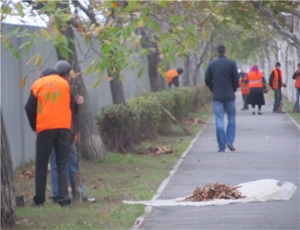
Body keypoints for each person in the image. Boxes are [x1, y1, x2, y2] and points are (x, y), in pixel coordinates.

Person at [24, 60, 74, 207]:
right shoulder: (66, 84)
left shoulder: (39, 83)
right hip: (63, 128)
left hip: (45, 128)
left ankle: (39, 199)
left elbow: (29, 108)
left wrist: (35, 126)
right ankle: (64, 199)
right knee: (62, 163)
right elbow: (71, 106)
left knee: (41, 164)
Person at [38, 68, 85, 202]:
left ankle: (58, 193)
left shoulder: (46, 90)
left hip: (52, 132)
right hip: (63, 133)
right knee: (68, 162)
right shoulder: (62, 90)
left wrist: (77, 102)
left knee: (56, 163)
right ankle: (76, 192)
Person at [205, 45, 239, 152]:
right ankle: (230, 141)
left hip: (217, 96)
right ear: (225, 51)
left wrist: (213, 88)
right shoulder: (231, 63)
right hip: (229, 95)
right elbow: (236, 79)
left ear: (216, 52)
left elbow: (207, 79)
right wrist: (233, 89)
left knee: (219, 119)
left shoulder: (212, 64)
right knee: (231, 118)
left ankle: (221, 146)